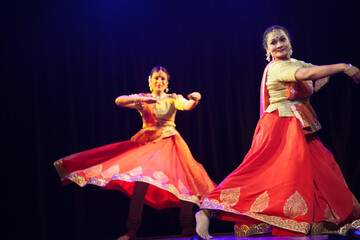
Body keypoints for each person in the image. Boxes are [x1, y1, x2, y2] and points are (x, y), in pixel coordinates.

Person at [195, 25, 360, 239]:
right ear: (267, 49)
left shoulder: (294, 62)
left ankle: (340, 223)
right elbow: (308, 74)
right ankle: (206, 212)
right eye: (273, 42)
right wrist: (344, 67)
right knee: (262, 175)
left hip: (301, 128)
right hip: (281, 126)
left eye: (282, 39)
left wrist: (340, 69)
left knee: (323, 173)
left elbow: (314, 71)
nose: (279, 44)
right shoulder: (276, 68)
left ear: (290, 42)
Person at [54, 66, 216, 240]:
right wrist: (141, 100)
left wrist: (195, 99)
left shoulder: (173, 98)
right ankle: (132, 230)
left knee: (185, 180)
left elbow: (186, 105)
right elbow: (118, 100)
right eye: (156, 78)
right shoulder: (144, 99)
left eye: (162, 79)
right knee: (140, 182)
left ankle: (187, 226)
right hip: (148, 145)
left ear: (167, 83)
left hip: (170, 144)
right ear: (150, 81)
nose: (159, 82)